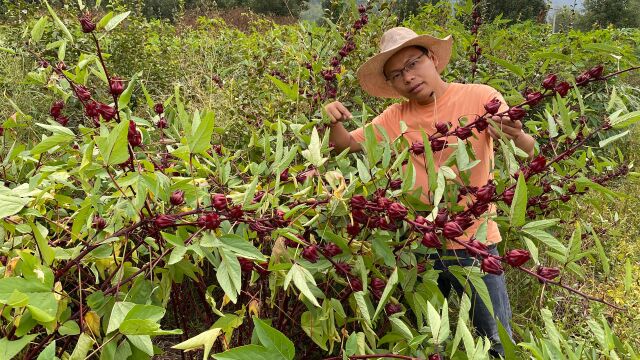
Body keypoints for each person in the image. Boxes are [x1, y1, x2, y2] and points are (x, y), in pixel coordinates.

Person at [325, 27, 535, 357]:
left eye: (412, 63)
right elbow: (346, 144)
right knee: (426, 336)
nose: (408, 77)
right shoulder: (395, 117)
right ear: (391, 85)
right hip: (419, 246)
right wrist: (332, 120)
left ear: (432, 58)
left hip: (475, 243)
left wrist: (516, 134)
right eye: (397, 74)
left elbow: (528, 149)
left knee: (495, 340)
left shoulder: (481, 96)